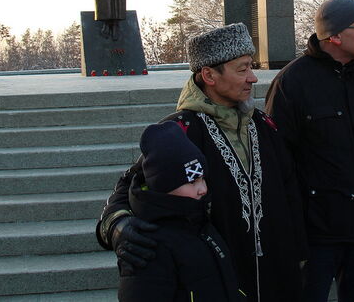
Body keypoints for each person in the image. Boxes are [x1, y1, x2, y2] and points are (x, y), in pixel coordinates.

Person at [97, 23, 306, 302]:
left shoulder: (264, 126)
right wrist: (119, 226)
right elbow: (128, 187)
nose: (253, 78)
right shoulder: (180, 131)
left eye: (251, 67)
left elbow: (290, 192)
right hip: (219, 281)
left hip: (278, 280)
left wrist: (300, 254)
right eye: (242, 69)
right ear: (209, 75)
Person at [265, 0, 354, 302]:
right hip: (316, 232)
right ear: (333, 36)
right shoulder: (292, 82)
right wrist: (289, 224)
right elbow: (277, 161)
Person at [117, 121, 244, 302]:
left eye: (202, 179)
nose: (203, 189)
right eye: (192, 182)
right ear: (165, 186)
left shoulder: (201, 223)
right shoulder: (146, 246)